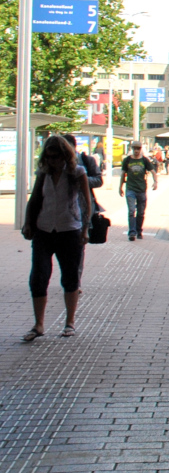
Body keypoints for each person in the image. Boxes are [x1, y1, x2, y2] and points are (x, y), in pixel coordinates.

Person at [21, 136, 93, 341]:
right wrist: (28, 223)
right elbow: (34, 199)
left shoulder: (77, 173)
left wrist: (85, 229)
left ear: (65, 155)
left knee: (70, 276)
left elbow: (86, 203)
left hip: (70, 230)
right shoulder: (43, 173)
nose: (53, 161)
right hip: (44, 230)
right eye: (49, 157)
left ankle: (70, 322)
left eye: (56, 157)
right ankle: (38, 325)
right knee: (39, 276)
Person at [119, 141, 158, 240]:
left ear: (141, 149)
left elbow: (153, 171)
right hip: (130, 189)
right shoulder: (127, 160)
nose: (136, 151)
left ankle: (139, 230)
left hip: (141, 189)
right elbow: (123, 174)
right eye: (134, 148)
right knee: (131, 211)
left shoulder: (144, 160)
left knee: (140, 213)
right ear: (132, 149)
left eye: (138, 148)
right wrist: (120, 187)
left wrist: (155, 182)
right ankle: (132, 232)